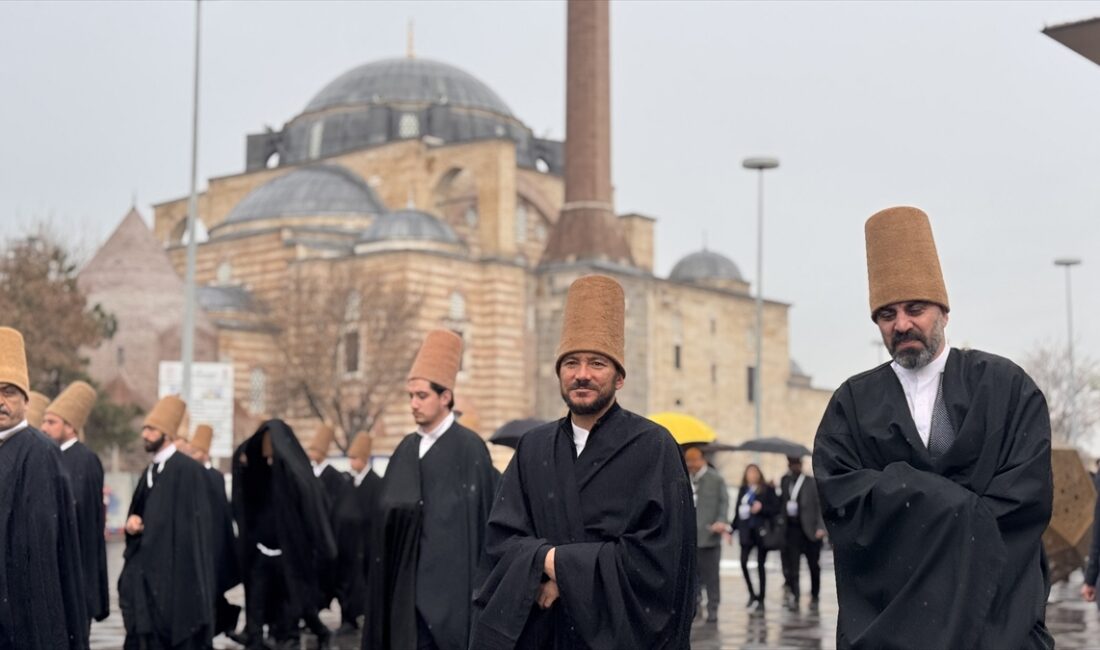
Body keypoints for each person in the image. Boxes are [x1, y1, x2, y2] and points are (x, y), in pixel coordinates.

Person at [813, 206, 1053, 649]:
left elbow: (1025, 498)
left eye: (915, 309)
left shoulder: (1005, 387)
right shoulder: (852, 404)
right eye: (887, 314)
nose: (902, 324)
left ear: (943, 311)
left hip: (994, 622)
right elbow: (843, 500)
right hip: (891, 624)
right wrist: (954, 505)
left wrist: (909, 497)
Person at [471, 275, 696, 649]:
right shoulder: (533, 448)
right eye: (571, 363)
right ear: (559, 372)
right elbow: (502, 540)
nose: (582, 375)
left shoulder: (653, 447)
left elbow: (661, 560)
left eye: (597, 363)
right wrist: (550, 566)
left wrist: (562, 573)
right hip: (545, 634)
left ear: (619, 377)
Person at [365, 329, 497, 650]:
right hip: (404, 595)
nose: (413, 404)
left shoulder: (470, 449)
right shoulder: (405, 449)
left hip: (452, 601)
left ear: (445, 397)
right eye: (410, 396)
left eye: (421, 396)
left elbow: (483, 528)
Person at [0, 327, 88, 648]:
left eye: (9, 392)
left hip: (23, 619)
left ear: (25, 399)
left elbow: (41, 556)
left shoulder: (39, 453)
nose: (1, 401)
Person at [118, 395, 216, 649]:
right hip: (146, 579)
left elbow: (196, 532)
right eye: (145, 429)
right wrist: (133, 523)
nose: (145, 435)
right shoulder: (150, 471)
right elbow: (140, 512)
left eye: (152, 430)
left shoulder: (188, 470)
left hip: (175, 580)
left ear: (168, 434)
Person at [232, 420, 337, 650]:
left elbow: (311, 508)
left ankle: (300, 636)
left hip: (289, 555)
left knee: (294, 604)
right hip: (262, 552)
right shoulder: (260, 475)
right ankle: (255, 639)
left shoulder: (293, 475)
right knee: (257, 600)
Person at [41, 380, 110, 627]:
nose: (44, 427)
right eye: (44, 421)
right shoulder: (51, 455)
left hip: (76, 571)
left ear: (70, 427)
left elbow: (83, 518)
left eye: (51, 422)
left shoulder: (85, 460)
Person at [189, 424, 242, 640]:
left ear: (205, 452)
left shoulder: (215, 477)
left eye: (196, 451)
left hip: (213, 546)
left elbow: (222, 515)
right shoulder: (193, 475)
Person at [332, 430, 382, 635]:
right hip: (349, 544)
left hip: (367, 545)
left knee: (366, 584)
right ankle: (348, 618)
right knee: (346, 582)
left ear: (364, 459)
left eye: (354, 458)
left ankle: (367, 619)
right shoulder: (348, 482)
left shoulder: (376, 483)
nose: (351, 462)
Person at [684, 446, 728, 625]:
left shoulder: (715, 479)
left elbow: (724, 502)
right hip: (690, 537)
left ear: (702, 460)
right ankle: (695, 603)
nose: (691, 465)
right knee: (692, 575)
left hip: (709, 536)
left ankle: (713, 607)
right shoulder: (685, 478)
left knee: (711, 576)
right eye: (688, 461)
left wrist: (721, 520)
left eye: (694, 461)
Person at [777, 456, 825, 612]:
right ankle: (795, 596)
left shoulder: (811, 482)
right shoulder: (785, 481)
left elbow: (819, 504)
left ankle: (815, 595)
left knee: (813, 566)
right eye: (791, 464)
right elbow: (782, 503)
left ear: (801, 464)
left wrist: (820, 527)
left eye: (796, 463)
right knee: (793, 566)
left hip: (810, 530)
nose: (794, 467)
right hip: (792, 530)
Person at [731, 463, 778, 612]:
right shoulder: (743, 490)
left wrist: (761, 508)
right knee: (743, 562)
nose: (752, 475)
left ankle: (761, 598)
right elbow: (737, 512)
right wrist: (731, 529)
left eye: (754, 472)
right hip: (746, 532)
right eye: (749, 472)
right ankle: (752, 594)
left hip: (760, 532)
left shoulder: (766, 489)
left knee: (760, 565)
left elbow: (775, 509)